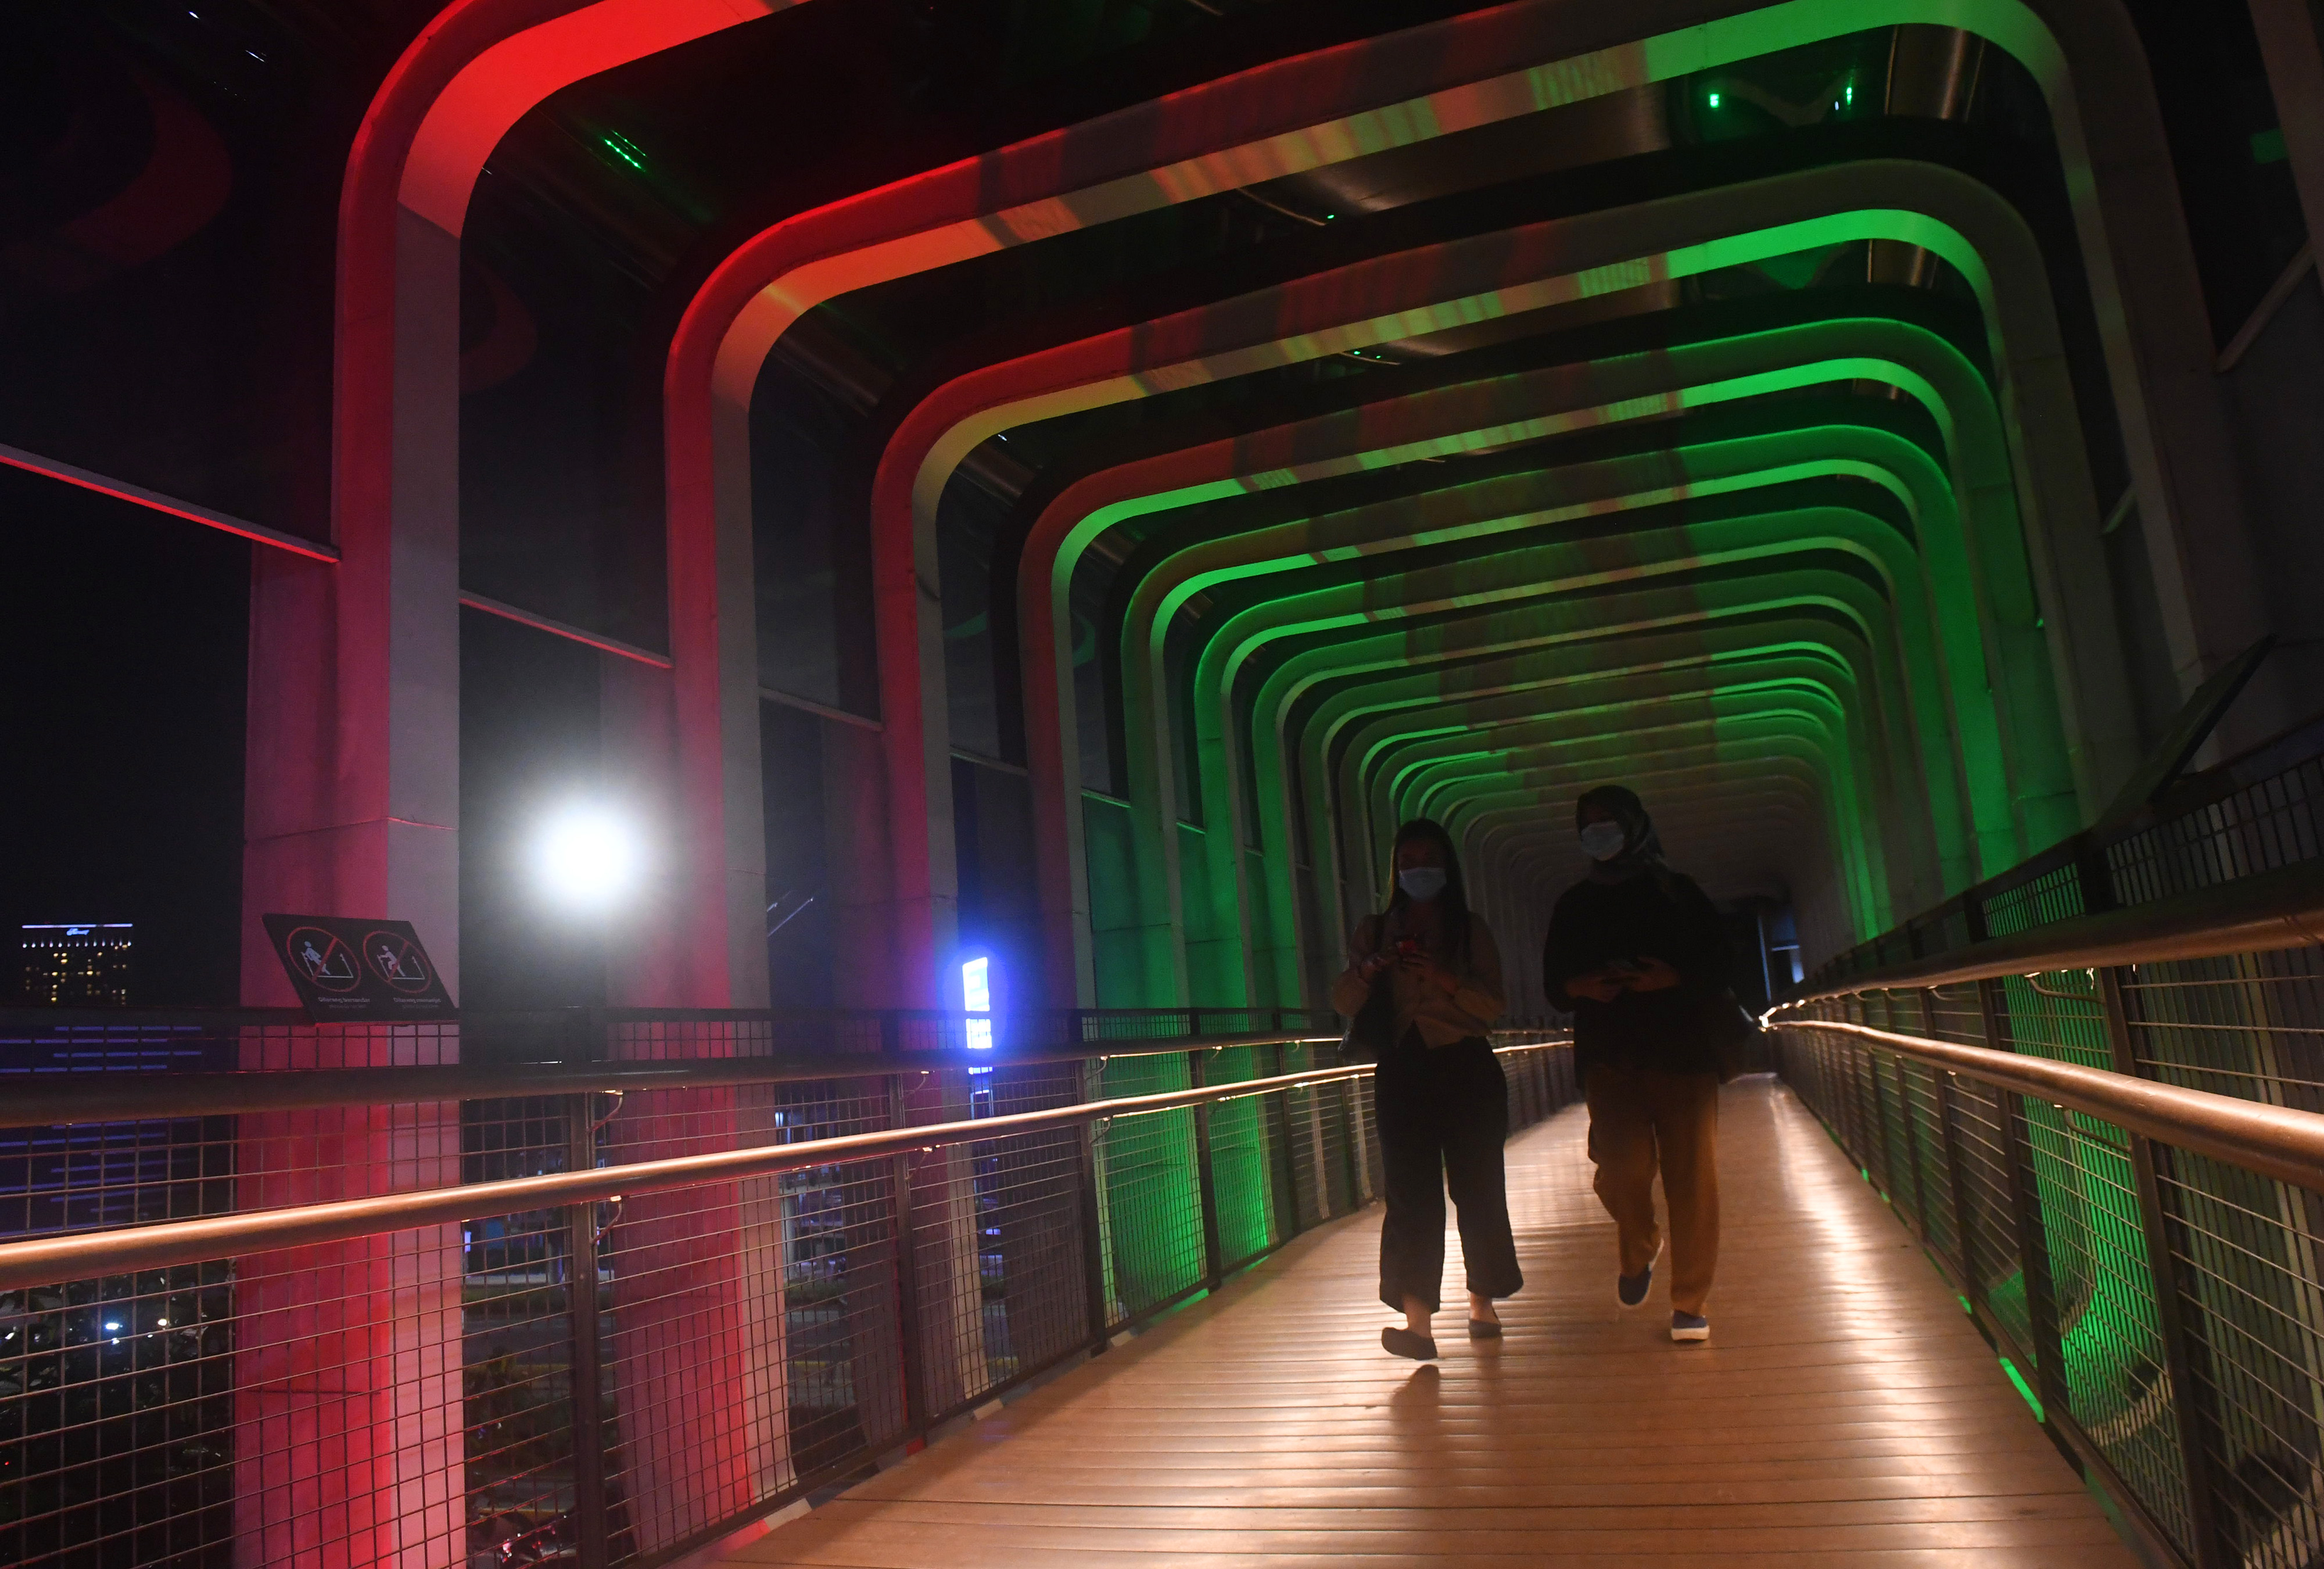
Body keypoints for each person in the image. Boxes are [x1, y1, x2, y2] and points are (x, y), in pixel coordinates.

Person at [1540, 784, 1730, 1344]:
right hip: (1611, 1058)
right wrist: (1584, 986)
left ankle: (1690, 1302)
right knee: (1620, 1169)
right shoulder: (1573, 904)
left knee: (1693, 1182)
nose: (1598, 832)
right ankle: (1641, 1242)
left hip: (1684, 1055)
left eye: (1608, 821)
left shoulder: (1678, 894)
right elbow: (1554, 985)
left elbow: (1720, 965)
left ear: (1635, 824)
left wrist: (1673, 977)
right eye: (1588, 824)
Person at [1331, 818, 1520, 1361]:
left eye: (1427, 860)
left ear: (1447, 866)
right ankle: (1418, 1326)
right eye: (1407, 861)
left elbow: (1493, 1005)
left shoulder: (1470, 929)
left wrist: (1442, 976)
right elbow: (1344, 1002)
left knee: (1478, 1187)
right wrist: (1370, 970)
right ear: (1396, 869)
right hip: (1401, 1068)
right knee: (1409, 1194)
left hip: (1466, 1066)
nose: (1417, 870)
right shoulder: (1374, 929)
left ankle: (1482, 1302)